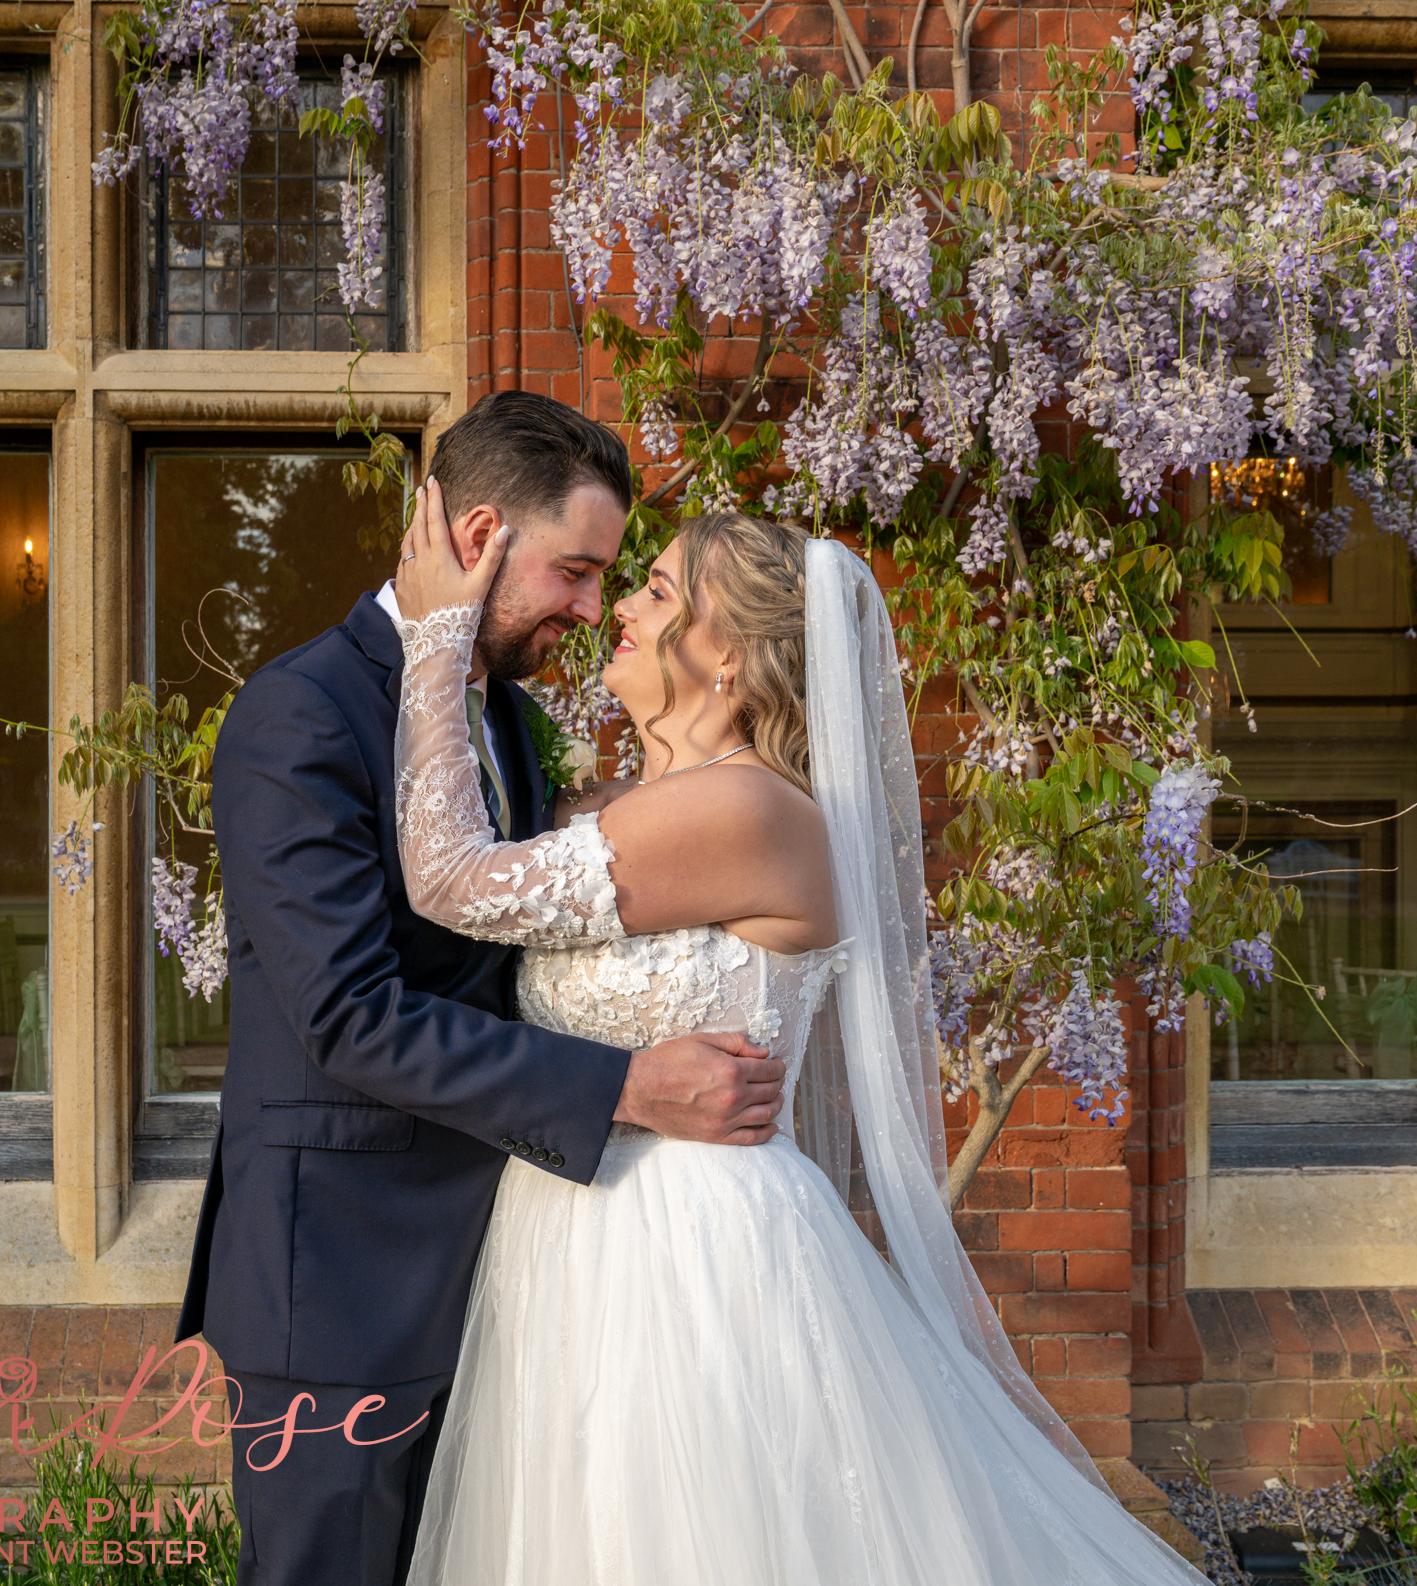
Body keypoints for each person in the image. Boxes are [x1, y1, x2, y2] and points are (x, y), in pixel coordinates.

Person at [388, 489, 1211, 1583]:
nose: (619, 609)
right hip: (567, 1237)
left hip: (686, 1254)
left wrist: (438, 632)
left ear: (730, 661)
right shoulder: (610, 803)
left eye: (658, 589)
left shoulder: (751, 813)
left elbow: (447, 876)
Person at [175, 391, 786, 1586]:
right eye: (573, 572)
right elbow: (353, 1017)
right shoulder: (299, 717)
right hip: (341, 1286)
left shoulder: (499, 715)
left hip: (507, 1270)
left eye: (610, 579)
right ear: (478, 538)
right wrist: (628, 1084)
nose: (590, 609)